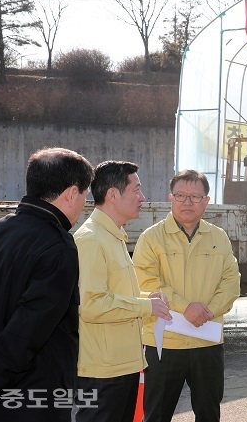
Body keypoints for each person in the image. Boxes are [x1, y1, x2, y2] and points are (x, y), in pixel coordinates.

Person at [0, 147, 93, 421]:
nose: (83, 205)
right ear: (71, 193)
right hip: (28, 403)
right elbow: (26, 334)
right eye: (85, 196)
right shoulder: (58, 247)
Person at [133, 169, 240, 422]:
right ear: (170, 198)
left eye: (195, 197)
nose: (188, 202)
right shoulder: (152, 238)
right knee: (157, 414)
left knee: (209, 412)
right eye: (181, 195)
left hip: (207, 341)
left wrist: (209, 311)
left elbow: (231, 281)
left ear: (206, 201)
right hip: (165, 343)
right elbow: (145, 282)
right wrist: (185, 307)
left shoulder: (218, 237)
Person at [73, 161, 171, 422]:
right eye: (136, 190)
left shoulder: (114, 235)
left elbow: (114, 294)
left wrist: (145, 299)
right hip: (103, 372)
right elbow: (92, 304)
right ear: (113, 195)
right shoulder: (92, 239)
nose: (143, 197)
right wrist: (145, 307)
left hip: (123, 365)